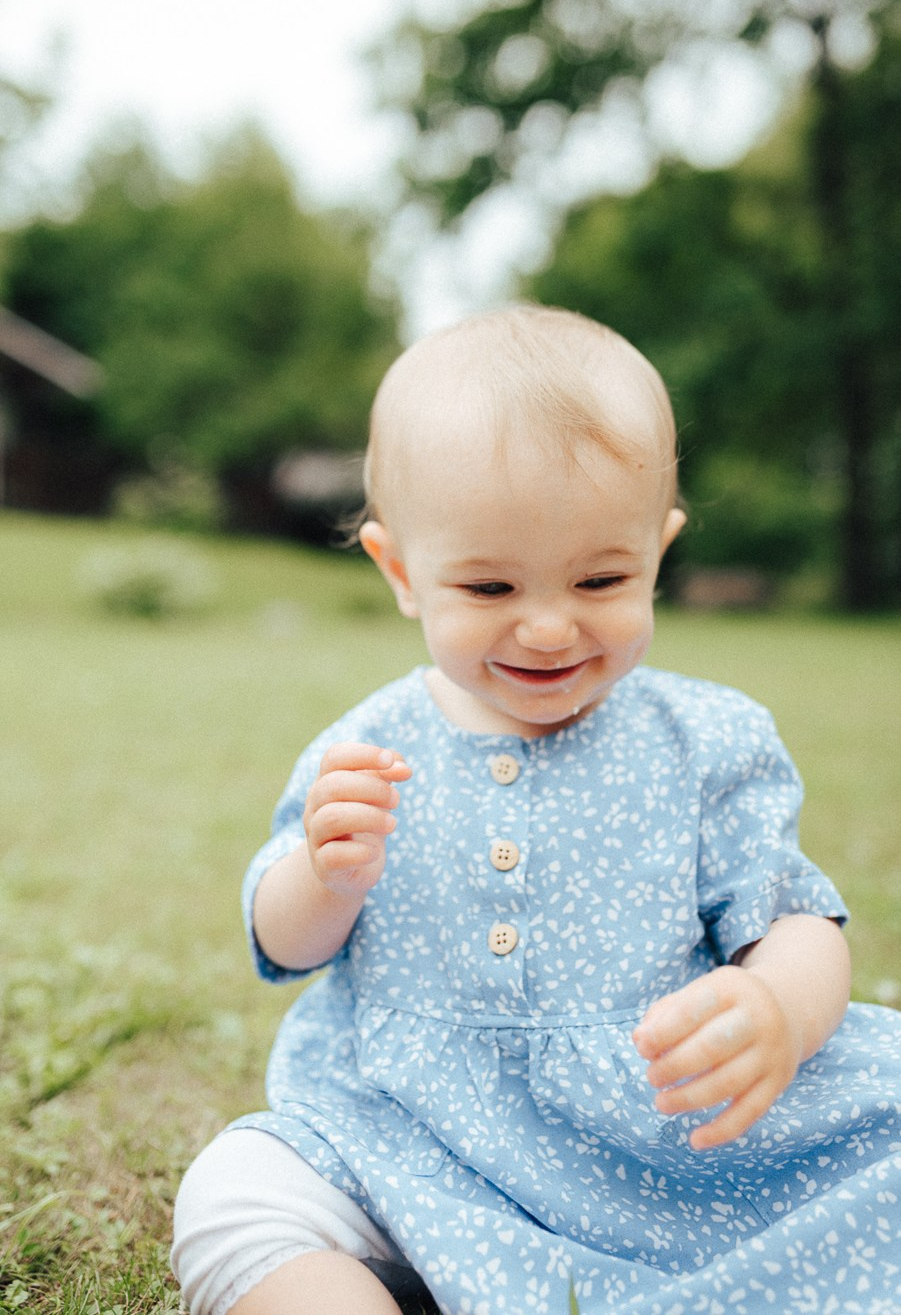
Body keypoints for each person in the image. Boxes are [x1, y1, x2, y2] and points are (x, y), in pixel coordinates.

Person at [172, 306, 901, 1315]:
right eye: (489, 584)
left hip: (660, 1143)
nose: (551, 625)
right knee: (237, 1196)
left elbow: (794, 923)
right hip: (404, 1135)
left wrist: (778, 1007)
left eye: (602, 578)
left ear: (659, 549)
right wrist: (322, 873)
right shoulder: (369, 746)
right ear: (401, 573)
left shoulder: (706, 742)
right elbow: (282, 941)